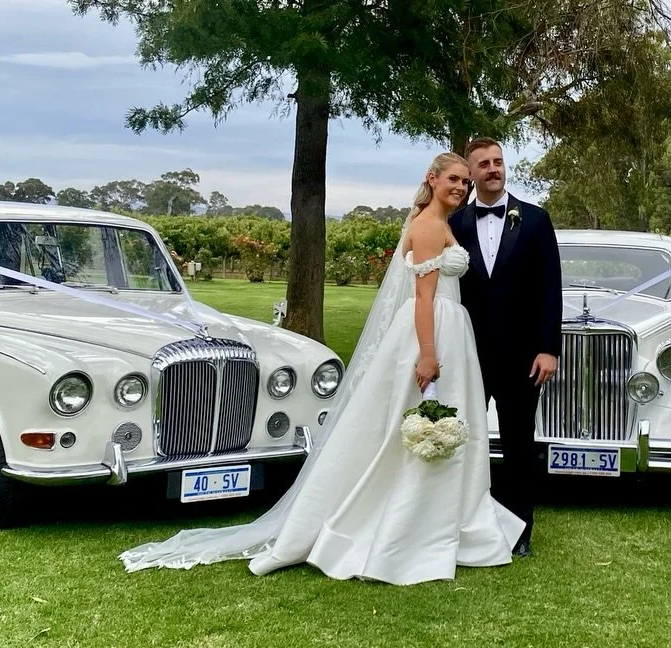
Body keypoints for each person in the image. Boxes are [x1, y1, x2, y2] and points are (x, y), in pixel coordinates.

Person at [117, 152, 526, 585]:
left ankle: (437, 518)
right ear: (433, 178)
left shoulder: (439, 222)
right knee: (409, 425)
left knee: (410, 426)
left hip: (449, 327)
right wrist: (428, 354)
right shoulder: (427, 225)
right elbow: (423, 298)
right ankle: (406, 526)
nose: (461, 187)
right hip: (433, 331)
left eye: (466, 181)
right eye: (454, 180)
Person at [448, 137, 563, 558]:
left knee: (518, 445)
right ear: (472, 173)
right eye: (484, 164)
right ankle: (462, 523)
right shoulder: (455, 224)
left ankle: (519, 531)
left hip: (523, 357)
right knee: (463, 441)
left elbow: (550, 288)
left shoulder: (534, 220)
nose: (493, 169)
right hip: (468, 355)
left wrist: (548, 347)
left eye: (498, 162)